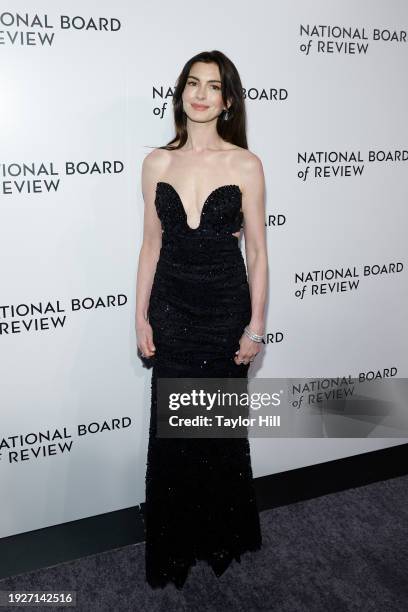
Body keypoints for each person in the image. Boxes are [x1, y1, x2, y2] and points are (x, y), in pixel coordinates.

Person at [135, 50, 268, 590]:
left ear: (227, 99)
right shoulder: (157, 163)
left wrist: (255, 325)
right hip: (171, 307)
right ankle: (175, 544)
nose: (201, 94)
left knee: (216, 434)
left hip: (222, 311)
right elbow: (149, 246)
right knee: (173, 434)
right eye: (193, 83)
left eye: (213, 86)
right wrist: (140, 317)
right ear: (181, 92)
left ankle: (218, 535)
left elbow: (257, 251)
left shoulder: (246, 165)